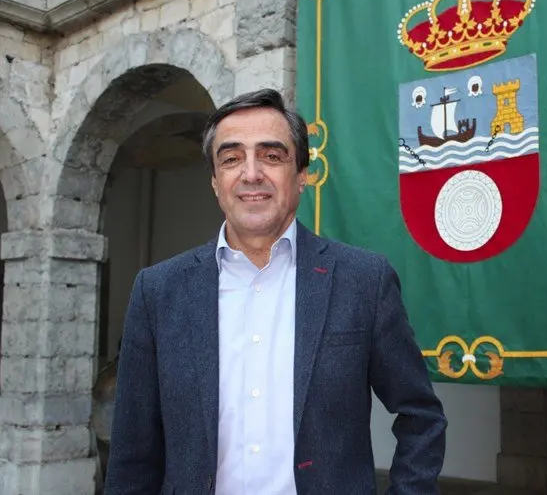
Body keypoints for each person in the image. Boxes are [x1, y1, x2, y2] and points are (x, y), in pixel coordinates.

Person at [104, 88, 447, 494]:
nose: (251, 174)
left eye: (272, 155)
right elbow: (132, 452)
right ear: (215, 181)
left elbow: (421, 416)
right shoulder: (158, 292)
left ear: (301, 175)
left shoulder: (363, 281)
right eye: (231, 159)